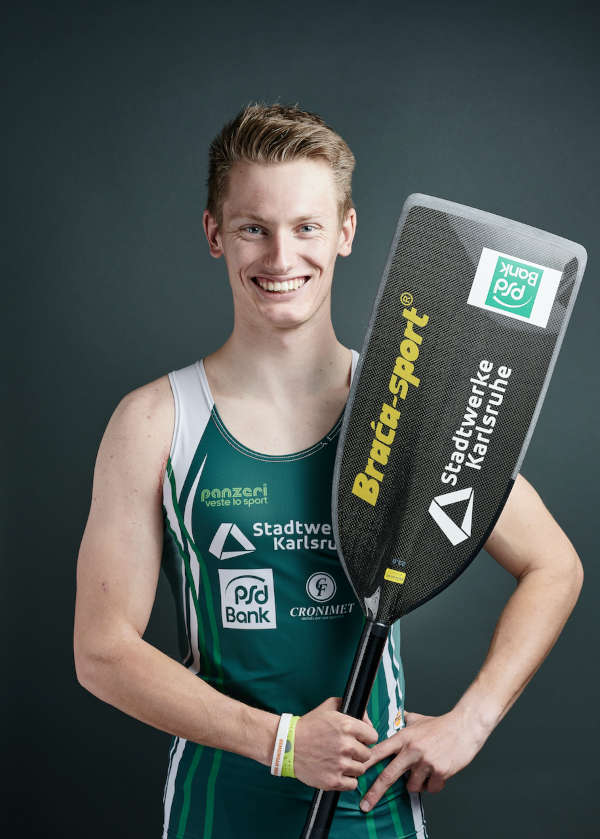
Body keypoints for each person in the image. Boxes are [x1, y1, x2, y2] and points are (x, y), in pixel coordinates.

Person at [73, 103, 583, 838]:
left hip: (373, 816)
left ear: (345, 231)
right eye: (255, 227)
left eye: (306, 227)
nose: (282, 259)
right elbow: (102, 650)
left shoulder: (407, 409)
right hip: (219, 809)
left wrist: (474, 718)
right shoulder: (156, 421)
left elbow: (554, 565)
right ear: (216, 234)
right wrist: (280, 743)